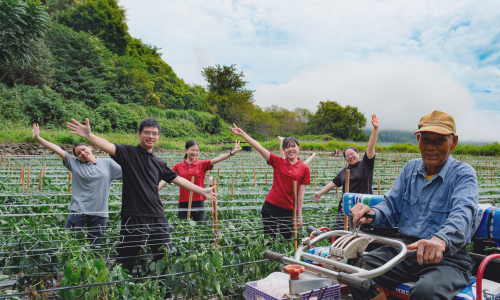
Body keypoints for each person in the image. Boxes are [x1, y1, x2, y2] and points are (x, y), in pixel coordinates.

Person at [349, 110, 478, 300]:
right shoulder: (410, 168)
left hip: (447, 258)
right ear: (418, 141)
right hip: (407, 250)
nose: (430, 147)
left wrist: (440, 240)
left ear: (454, 143)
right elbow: (390, 206)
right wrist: (372, 213)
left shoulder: (463, 174)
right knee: (354, 270)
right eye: (425, 139)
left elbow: (463, 214)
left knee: (426, 292)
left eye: (439, 140)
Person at [66, 118, 217, 273]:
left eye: (154, 133)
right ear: (139, 134)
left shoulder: (158, 162)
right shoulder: (128, 153)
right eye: (147, 132)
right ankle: (122, 290)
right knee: (127, 258)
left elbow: (177, 179)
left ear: (158, 137)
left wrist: (202, 190)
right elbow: (108, 146)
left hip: (158, 215)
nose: (151, 136)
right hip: (133, 216)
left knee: (164, 256)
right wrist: (89, 136)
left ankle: (167, 294)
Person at [32, 123, 122, 245]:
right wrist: (38, 138)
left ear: (90, 148)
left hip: (100, 212)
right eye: (78, 153)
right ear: (77, 158)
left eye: (83, 149)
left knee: (96, 246)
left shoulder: (107, 163)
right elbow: (57, 149)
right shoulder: (74, 164)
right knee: (68, 242)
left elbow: (129, 175)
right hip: (78, 210)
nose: (82, 153)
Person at [231, 124, 311, 240]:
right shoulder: (278, 162)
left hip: (289, 210)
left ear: (299, 148)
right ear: (283, 150)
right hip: (271, 206)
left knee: (287, 241)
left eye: (293, 146)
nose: (290, 149)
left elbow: (300, 194)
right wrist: (243, 134)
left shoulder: (304, 168)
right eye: (287, 147)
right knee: (269, 240)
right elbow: (259, 147)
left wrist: (299, 215)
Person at [313, 114, 379, 229]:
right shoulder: (345, 171)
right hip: (346, 207)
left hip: (362, 207)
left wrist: (375, 128)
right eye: (347, 156)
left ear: (358, 154)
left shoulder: (365, 165)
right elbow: (332, 184)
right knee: (342, 234)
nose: (350, 157)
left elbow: (370, 146)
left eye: (352, 154)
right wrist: (319, 193)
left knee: (360, 235)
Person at [158, 140, 241, 223]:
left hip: (199, 202)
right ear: (186, 150)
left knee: (198, 229)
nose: (195, 152)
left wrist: (231, 153)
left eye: (197, 150)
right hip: (183, 202)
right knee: (182, 228)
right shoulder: (178, 166)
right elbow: (166, 179)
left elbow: (217, 159)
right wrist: (155, 190)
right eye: (192, 150)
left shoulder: (202, 164)